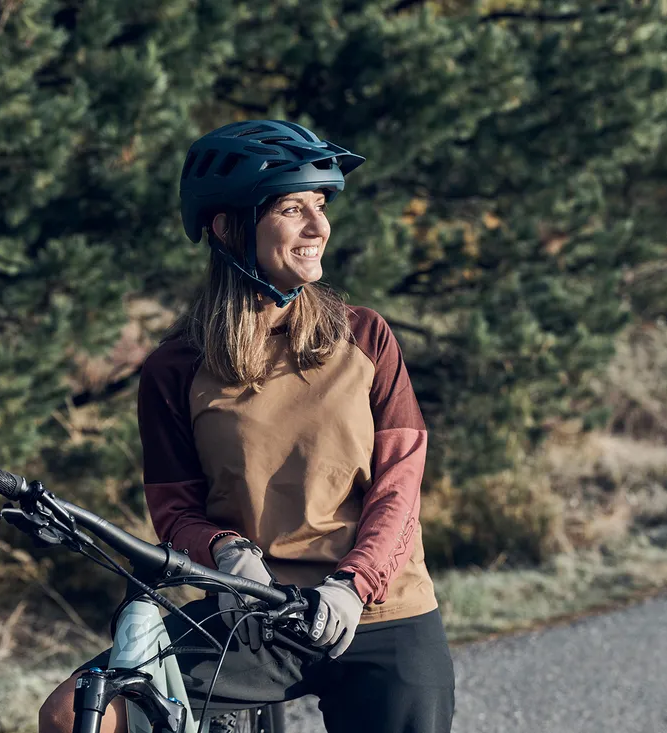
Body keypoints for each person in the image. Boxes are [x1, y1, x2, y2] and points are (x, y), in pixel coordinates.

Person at [39, 120, 456, 733]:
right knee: (75, 714)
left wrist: (352, 583)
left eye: (320, 206)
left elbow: (400, 487)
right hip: (253, 617)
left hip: (377, 609)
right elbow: (175, 511)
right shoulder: (176, 367)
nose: (319, 227)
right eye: (292, 208)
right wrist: (227, 552)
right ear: (226, 226)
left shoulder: (365, 336)